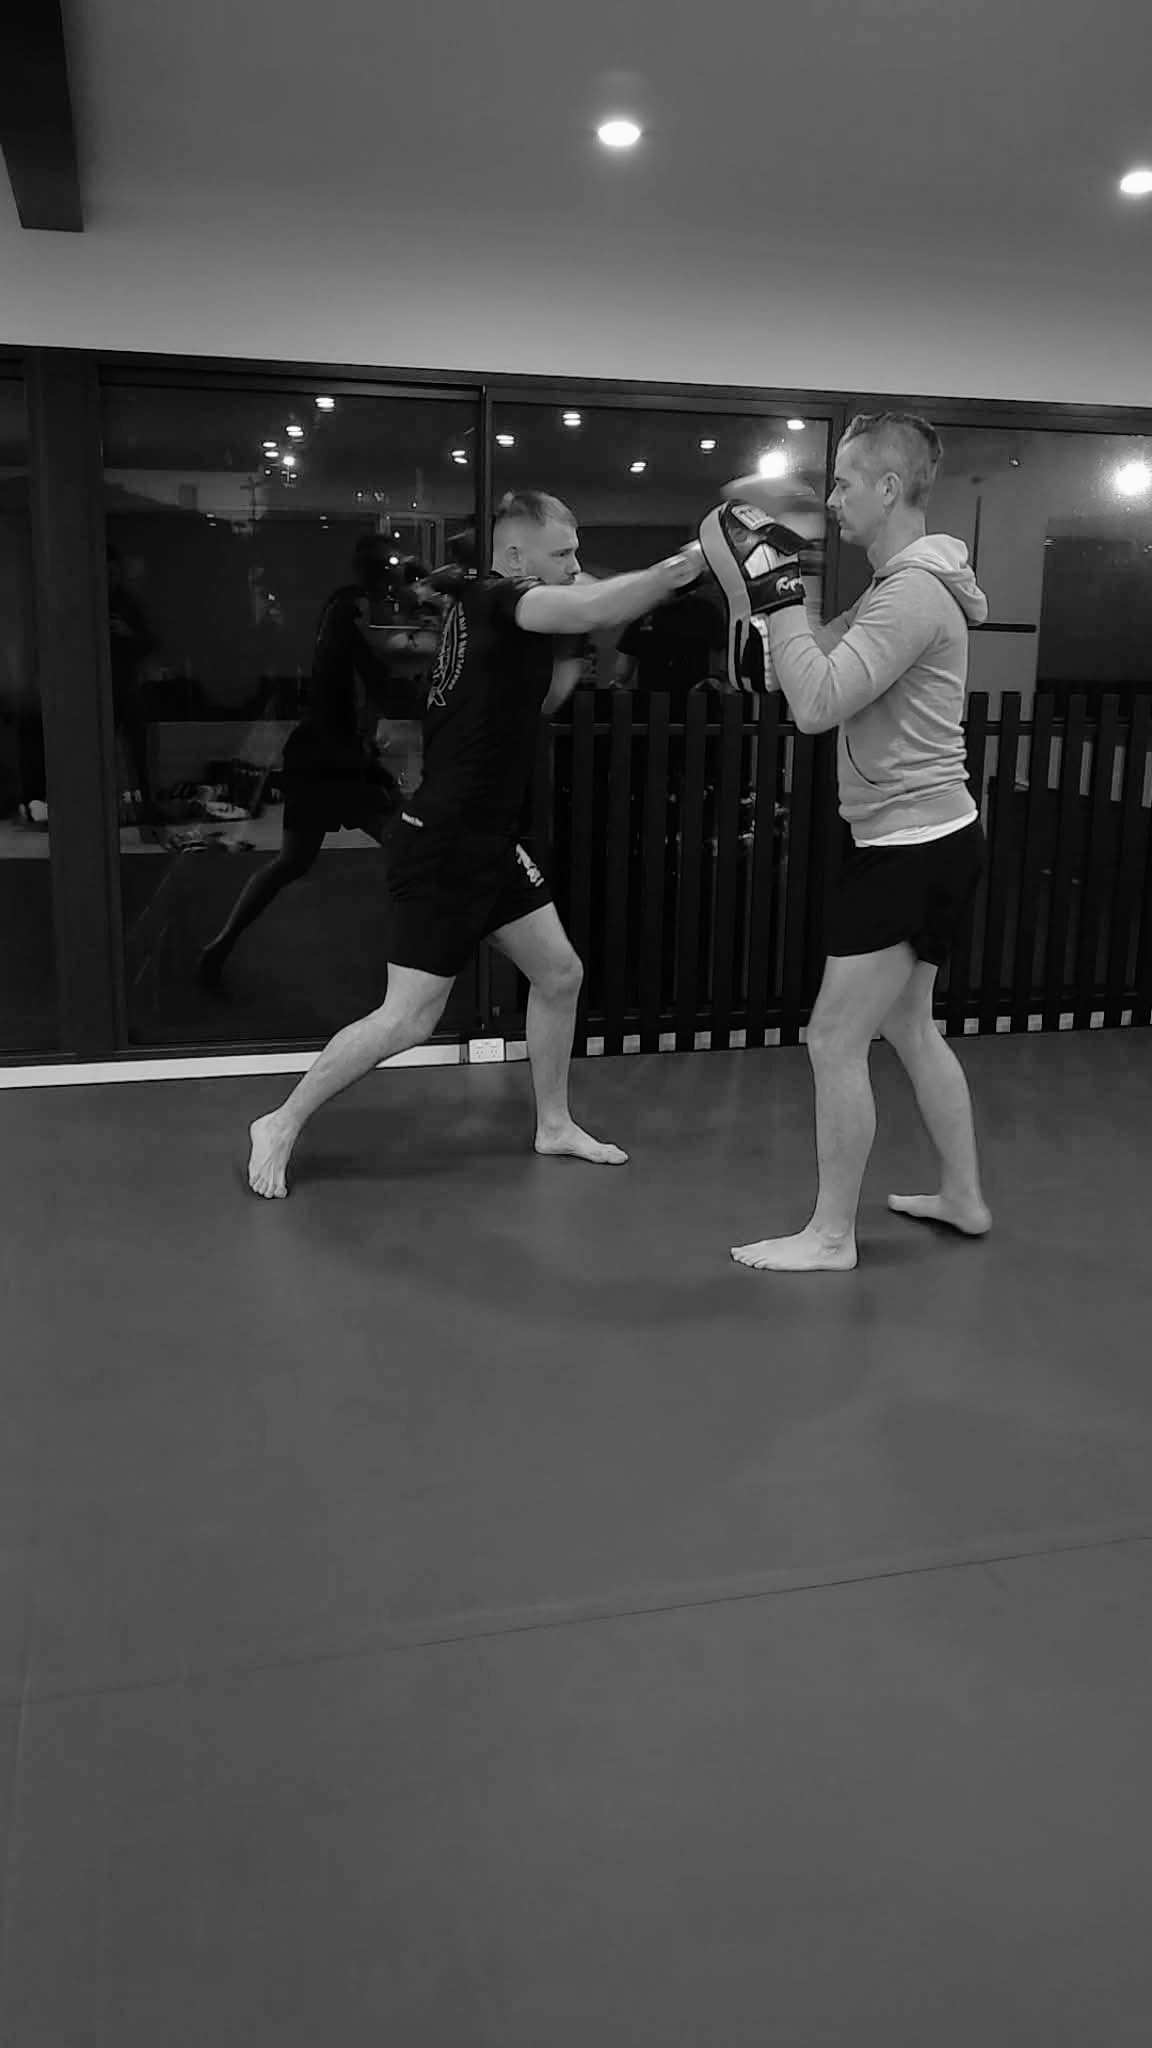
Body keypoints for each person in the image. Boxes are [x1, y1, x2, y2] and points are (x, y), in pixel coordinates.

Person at [246, 490, 704, 1198]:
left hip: (488, 839)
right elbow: (593, 604)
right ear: (516, 557)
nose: (575, 563)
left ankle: (553, 1123)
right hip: (446, 842)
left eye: (577, 551)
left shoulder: (486, 605)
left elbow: (559, 666)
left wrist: (601, 616)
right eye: (562, 552)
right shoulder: (500, 599)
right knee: (408, 1018)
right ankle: (279, 1121)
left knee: (560, 974)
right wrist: (692, 561)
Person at [704, 413, 992, 1273]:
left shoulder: (911, 594)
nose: (832, 500)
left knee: (833, 1039)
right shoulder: (893, 588)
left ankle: (831, 1236)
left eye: (844, 483)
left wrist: (781, 592)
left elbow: (818, 705)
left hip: (911, 846)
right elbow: (804, 666)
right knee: (911, 1027)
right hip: (931, 835)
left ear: (889, 488)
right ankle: (965, 1198)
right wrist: (763, 604)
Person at [198, 536, 417, 986]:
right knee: (408, 847)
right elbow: (380, 672)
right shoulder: (356, 607)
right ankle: (412, 963)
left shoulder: (347, 605)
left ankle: (222, 942)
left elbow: (371, 674)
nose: (399, 580)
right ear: (381, 573)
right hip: (335, 759)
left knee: (292, 862)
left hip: (323, 752)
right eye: (394, 571)